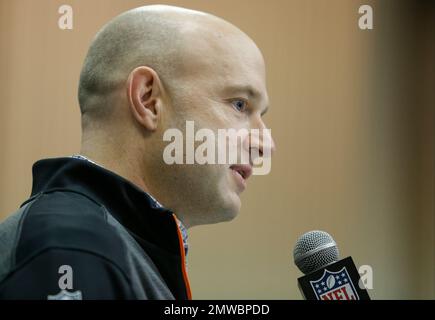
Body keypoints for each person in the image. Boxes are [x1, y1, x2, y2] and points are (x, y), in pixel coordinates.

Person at [0, 4, 275, 299]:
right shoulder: (73, 253)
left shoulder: (109, 249)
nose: (266, 145)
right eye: (239, 105)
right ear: (148, 99)